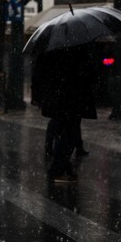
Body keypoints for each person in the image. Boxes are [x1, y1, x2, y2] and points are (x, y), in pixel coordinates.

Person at [31, 46, 97, 182]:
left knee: (62, 131)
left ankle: (63, 166)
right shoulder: (77, 51)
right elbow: (88, 73)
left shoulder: (49, 51)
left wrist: (40, 96)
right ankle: (57, 169)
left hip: (57, 99)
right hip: (71, 99)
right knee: (69, 134)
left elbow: (38, 74)